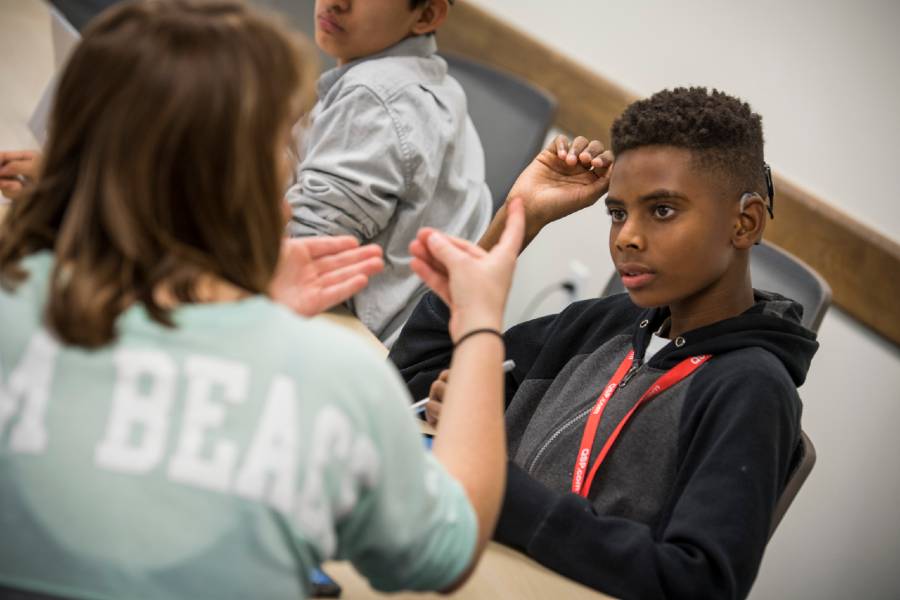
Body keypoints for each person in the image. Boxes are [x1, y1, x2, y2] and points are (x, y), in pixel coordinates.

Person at [0, 1, 527, 598]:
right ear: (240, 178)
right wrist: (481, 324)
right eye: (280, 153)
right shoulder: (336, 381)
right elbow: (446, 554)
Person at [389, 87, 820, 599]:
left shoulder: (751, 388)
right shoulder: (601, 327)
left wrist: (506, 494)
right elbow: (412, 380)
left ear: (744, 222)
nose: (626, 237)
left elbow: (697, 582)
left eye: (661, 211)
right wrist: (518, 216)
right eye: (617, 212)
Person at [285, 0, 492, 347]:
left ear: (426, 15)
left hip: (335, 344)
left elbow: (298, 263)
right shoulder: (438, 86)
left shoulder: (374, 97)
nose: (335, 2)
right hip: (389, 359)